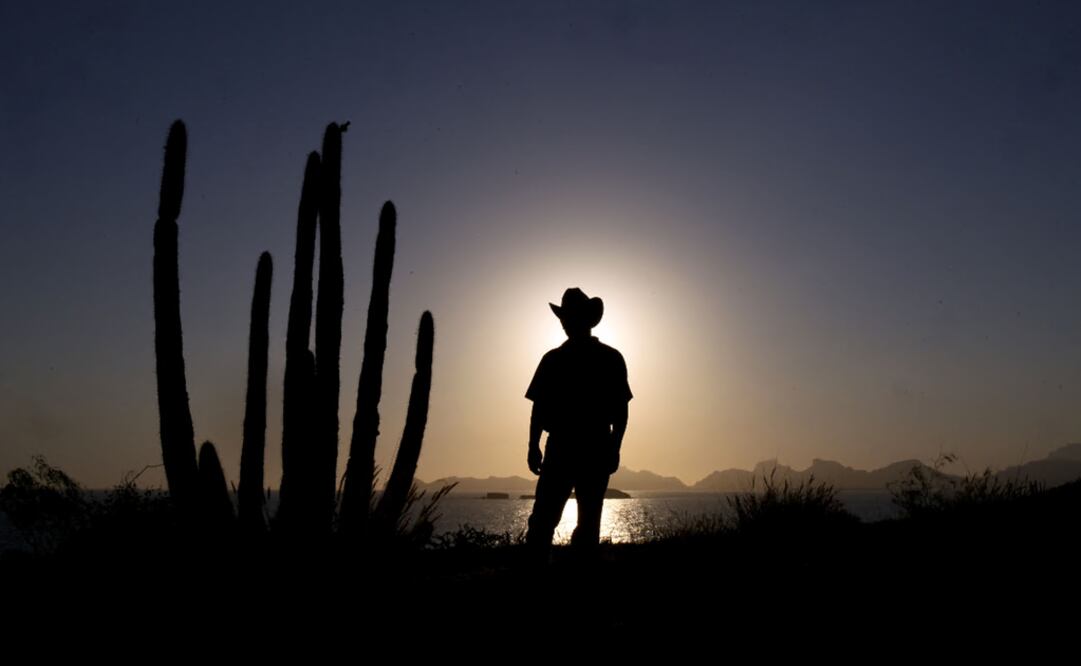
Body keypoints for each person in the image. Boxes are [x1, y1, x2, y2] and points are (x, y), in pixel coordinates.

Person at [524, 287, 632, 562]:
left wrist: (534, 445)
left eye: (569, 317)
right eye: (564, 318)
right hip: (582, 445)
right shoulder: (606, 357)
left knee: (557, 519)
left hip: (575, 446)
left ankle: (550, 575)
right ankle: (560, 576)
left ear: (582, 319)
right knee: (563, 519)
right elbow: (620, 410)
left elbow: (621, 409)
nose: (565, 323)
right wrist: (533, 445)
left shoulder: (557, 359)